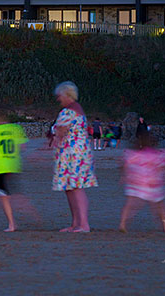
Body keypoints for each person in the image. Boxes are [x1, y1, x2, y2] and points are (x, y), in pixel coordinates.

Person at [50, 81, 97, 233]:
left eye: (60, 96)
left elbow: (60, 131)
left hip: (73, 153)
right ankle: (76, 223)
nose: (58, 99)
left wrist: (52, 141)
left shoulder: (68, 112)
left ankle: (83, 224)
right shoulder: (77, 110)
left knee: (76, 188)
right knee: (70, 188)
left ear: (66, 95)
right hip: (75, 152)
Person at [118, 132, 165, 233]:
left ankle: (123, 224)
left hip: (137, 183)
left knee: (130, 205)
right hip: (154, 184)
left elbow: (124, 164)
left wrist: (123, 176)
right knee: (159, 207)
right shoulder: (159, 154)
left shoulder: (134, 154)